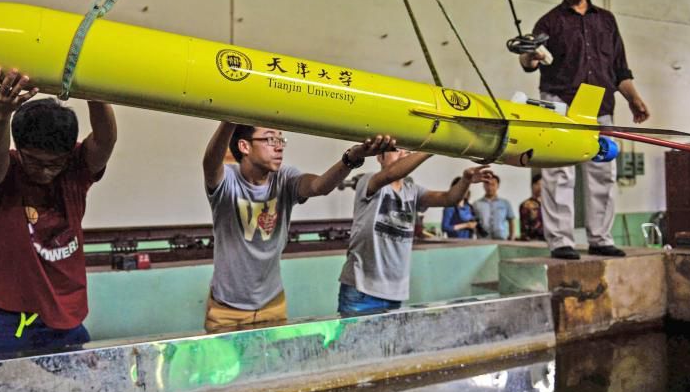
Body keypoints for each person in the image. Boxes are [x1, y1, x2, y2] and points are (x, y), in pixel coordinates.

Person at [0, 67, 117, 358]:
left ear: (69, 154)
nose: (45, 171)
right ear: (19, 150)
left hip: (64, 313)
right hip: (2, 314)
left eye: (54, 163)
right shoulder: (5, 172)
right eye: (34, 161)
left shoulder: (75, 170)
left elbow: (105, 140)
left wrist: (93, 90)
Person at [202, 122, 394, 332]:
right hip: (227, 308)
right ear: (244, 146)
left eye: (280, 139)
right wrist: (230, 119)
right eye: (270, 139)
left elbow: (318, 186)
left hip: (272, 304)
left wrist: (351, 158)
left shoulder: (284, 178)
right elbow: (210, 164)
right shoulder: (228, 179)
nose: (279, 146)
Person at [519, 0, 650, 260]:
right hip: (559, 101)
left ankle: (601, 238)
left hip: (599, 103)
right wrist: (529, 53)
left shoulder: (607, 21)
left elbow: (619, 68)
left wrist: (634, 98)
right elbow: (528, 63)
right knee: (558, 172)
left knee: (604, 172)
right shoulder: (549, 21)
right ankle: (560, 241)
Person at [338, 150, 491, 316]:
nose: (403, 153)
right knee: (353, 333)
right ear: (380, 157)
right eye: (396, 150)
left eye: (406, 151)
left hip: (395, 293)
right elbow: (391, 174)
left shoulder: (412, 191)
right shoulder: (368, 180)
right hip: (361, 290)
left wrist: (466, 180)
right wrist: (430, 148)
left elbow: (448, 198)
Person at [472, 171, 516, 241]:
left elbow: (511, 221)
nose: (490, 187)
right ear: (483, 185)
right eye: (487, 184)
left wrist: (512, 237)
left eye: (493, 184)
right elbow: (473, 222)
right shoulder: (476, 204)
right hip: (482, 240)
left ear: (498, 186)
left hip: (501, 240)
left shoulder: (505, 203)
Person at [519, 174, 545, 241]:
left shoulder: (549, 204)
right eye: (537, 184)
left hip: (547, 240)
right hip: (532, 240)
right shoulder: (526, 204)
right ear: (532, 185)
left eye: (542, 184)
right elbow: (524, 226)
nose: (540, 187)